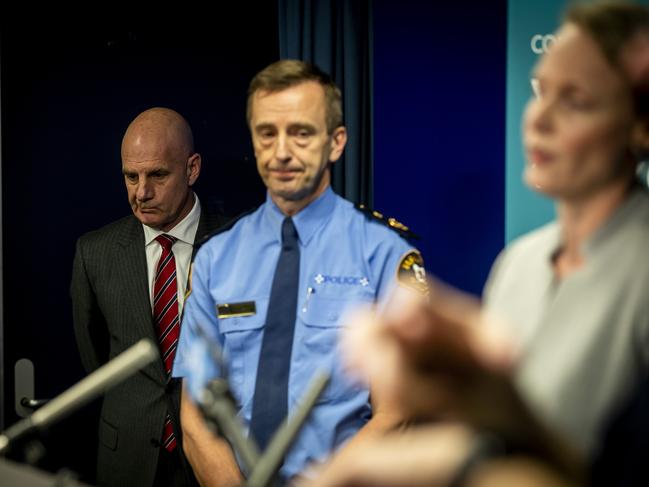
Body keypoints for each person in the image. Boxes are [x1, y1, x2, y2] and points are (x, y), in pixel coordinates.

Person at [304, 1, 649, 486]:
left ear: (639, 126)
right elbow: (494, 441)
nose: (539, 118)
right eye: (541, 90)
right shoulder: (518, 263)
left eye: (575, 100)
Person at [172, 60, 424, 486]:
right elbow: (195, 415)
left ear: (336, 142)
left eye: (301, 132)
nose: (282, 151)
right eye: (267, 133)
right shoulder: (216, 259)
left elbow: (397, 413)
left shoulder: (387, 255)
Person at [71, 107, 228, 487]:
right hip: (126, 456)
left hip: (217, 457)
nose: (142, 192)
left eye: (158, 174)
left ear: (192, 169)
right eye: (131, 176)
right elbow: (95, 358)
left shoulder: (241, 247)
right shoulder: (95, 252)